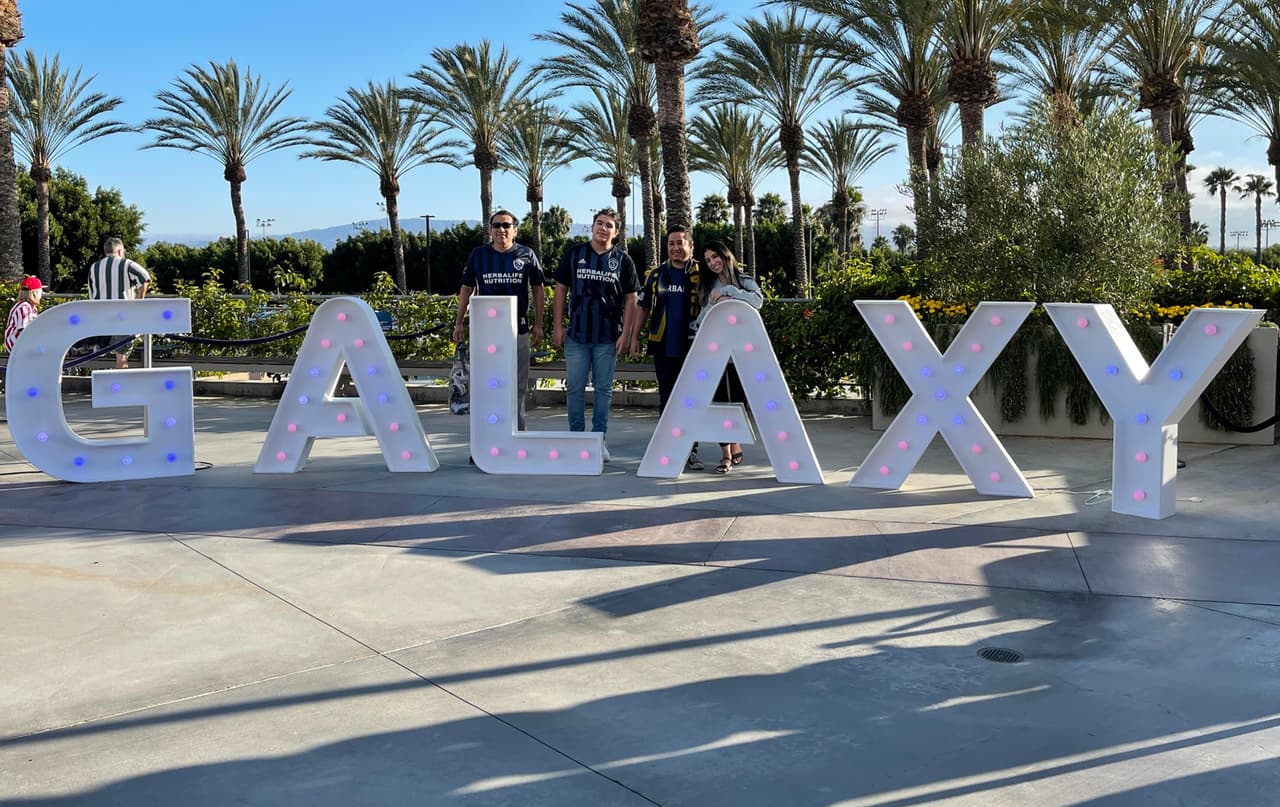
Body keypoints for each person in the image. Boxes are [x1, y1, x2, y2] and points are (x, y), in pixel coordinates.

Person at [553, 208, 639, 461]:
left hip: (608, 337)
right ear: (592, 227)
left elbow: (631, 298)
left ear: (617, 231)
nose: (603, 228)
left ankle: (599, 440)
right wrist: (558, 326)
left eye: (609, 225)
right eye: (599, 223)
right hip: (577, 336)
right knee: (575, 389)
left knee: (603, 390)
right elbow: (560, 290)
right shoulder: (575, 254)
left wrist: (626, 333)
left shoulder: (623, 260)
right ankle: (576, 438)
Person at [454, 209, 545, 431]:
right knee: (486, 386)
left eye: (506, 225)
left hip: (518, 331)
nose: (501, 230)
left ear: (515, 230)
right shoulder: (479, 255)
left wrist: (539, 324)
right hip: (486, 333)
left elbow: (539, 288)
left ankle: (517, 435)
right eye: (496, 226)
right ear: (490, 230)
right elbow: (467, 288)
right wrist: (458, 323)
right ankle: (486, 439)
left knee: (517, 386)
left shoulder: (526, 254)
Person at [630, 227, 703, 470]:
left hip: (695, 348)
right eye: (671, 243)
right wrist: (634, 337)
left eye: (680, 243)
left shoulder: (702, 274)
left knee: (691, 400)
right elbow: (643, 307)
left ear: (691, 246)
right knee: (667, 399)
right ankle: (669, 448)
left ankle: (690, 450)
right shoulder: (656, 274)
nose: (675, 247)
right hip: (663, 347)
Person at [692, 240, 764, 474]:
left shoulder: (744, 281)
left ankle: (736, 440)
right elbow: (702, 318)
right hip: (716, 352)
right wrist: (716, 304)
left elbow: (757, 301)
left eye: (715, 257)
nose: (713, 263)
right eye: (708, 260)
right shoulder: (707, 286)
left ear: (725, 255)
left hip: (743, 353)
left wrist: (727, 293)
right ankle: (725, 454)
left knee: (740, 400)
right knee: (720, 400)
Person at [88, 237, 150, 369]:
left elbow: (92, 293)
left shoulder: (94, 267)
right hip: (123, 317)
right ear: (120, 251)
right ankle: (119, 386)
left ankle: (105, 385)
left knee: (103, 354)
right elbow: (144, 277)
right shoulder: (126, 264)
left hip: (99, 319)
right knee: (121, 358)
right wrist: (140, 300)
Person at [4, 276, 43, 352]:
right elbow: (24, 330)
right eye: (41, 290)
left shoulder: (30, 307)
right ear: (35, 292)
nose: (42, 292)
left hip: (19, 344)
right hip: (17, 346)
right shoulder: (24, 307)